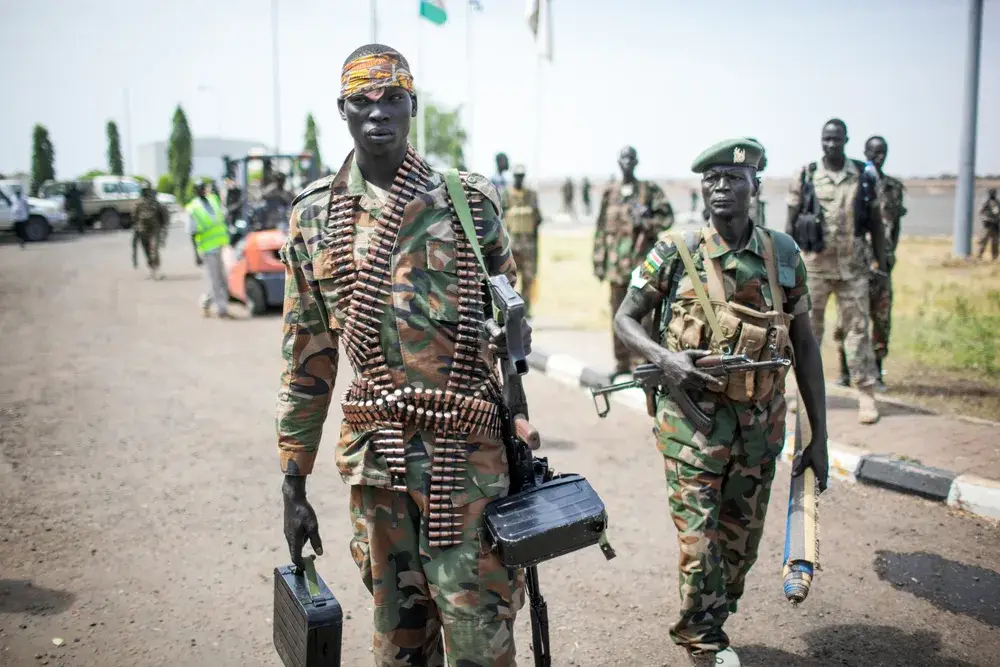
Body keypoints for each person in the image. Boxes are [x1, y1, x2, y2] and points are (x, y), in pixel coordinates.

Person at [277, 43, 529, 666]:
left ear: (412, 104)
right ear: (342, 110)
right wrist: (293, 480)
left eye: (392, 97)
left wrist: (518, 400)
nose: (378, 112)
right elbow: (306, 356)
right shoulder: (314, 216)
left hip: (465, 464)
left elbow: (513, 320)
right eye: (362, 101)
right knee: (398, 644)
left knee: (480, 640)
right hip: (377, 468)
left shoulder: (470, 205)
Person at [614, 138, 829, 667]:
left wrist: (820, 436)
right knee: (700, 544)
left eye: (734, 178)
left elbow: (804, 344)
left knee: (739, 548)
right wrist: (665, 359)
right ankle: (703, 644)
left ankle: (709, 617)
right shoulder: (675, 250)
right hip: (692, 427)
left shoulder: (782, 254)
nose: (721, 188)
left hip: (760, 429)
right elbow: (625, 318)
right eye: (711, 179)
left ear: (756, 185)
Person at [786, 118, 887, 424]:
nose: (831, 144)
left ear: (846, 140)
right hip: (814, 268)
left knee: (858, 332)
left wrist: (880, 264)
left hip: (852, 269)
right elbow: (790, 224)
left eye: (837, 139)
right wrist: (787, 264)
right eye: (826, 139)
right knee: (807, 333)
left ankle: (866, 396)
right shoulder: (806, 175)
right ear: (821, 141)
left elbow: (877, 224)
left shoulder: (864, 175)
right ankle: (803, 392)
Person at [594, 145, 675, 379]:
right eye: (623, 159)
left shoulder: (649, 191)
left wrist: (647, 223)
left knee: (644, 317)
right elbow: (600, 229)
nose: (627, 163)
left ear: (636, 162)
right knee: (617, 317)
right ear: (618, 163)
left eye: (631, 159)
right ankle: (621, 364)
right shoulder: (610, 193)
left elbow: (667, 217)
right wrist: (598, 261)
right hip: (616, 268)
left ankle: (642, 364)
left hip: (643, 269)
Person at [833, 135, 906, 390]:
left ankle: (877, 372)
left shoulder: (892, 188)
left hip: (882, 267)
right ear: (864, 152)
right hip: (856, 264)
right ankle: (845, 372)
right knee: (849, 318)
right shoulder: (856, 184)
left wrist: (888, 255)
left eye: (883, 152)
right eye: (874, 152)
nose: (879, 156)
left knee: (881, 319)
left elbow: (894, 226)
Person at [186, 181, 232, 318]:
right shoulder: (193, 208)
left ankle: (206, 302)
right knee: (215, 280)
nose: (204, 190)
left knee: (223, 279)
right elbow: (192, 232)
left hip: (219, 246)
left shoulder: (213, 200)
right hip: (207, 249)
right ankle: (221, 309)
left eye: (204, 188)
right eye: (201, 188)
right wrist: (196, 254)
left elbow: (223, 215)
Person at [505, 163, 543, 317]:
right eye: (517, 176)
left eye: (521, 176)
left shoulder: (531, 195)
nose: (519, 179)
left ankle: (526, 310)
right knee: (508, 280)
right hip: (510, 247)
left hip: (528, 247)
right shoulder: (505, 195)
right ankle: (510, 309)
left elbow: (538, 218)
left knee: (528, 279)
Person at [131, 182, 169, 280]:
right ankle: (152, 270)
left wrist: (163, 231)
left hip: (154, 231)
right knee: (147, 252)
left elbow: (164, 217)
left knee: (154, 251)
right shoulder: (138, 205)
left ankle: (156, 270)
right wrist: (138, 230)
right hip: (143, 232)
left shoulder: (156, 204)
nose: (146, 193)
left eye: (147, 191)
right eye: (144, 191)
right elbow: (135, 219)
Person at [977, 188, 1000, 261]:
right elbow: (980, 212)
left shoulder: (997, 202)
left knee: (995, 243)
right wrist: (986, 219)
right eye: (992, 193)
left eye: (994, 193)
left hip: (995, 225)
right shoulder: (986, 202)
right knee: (983, 242)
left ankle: (994, 258)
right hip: (987, 225)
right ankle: (979, 257)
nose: (993, 194)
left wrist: (997, 219)